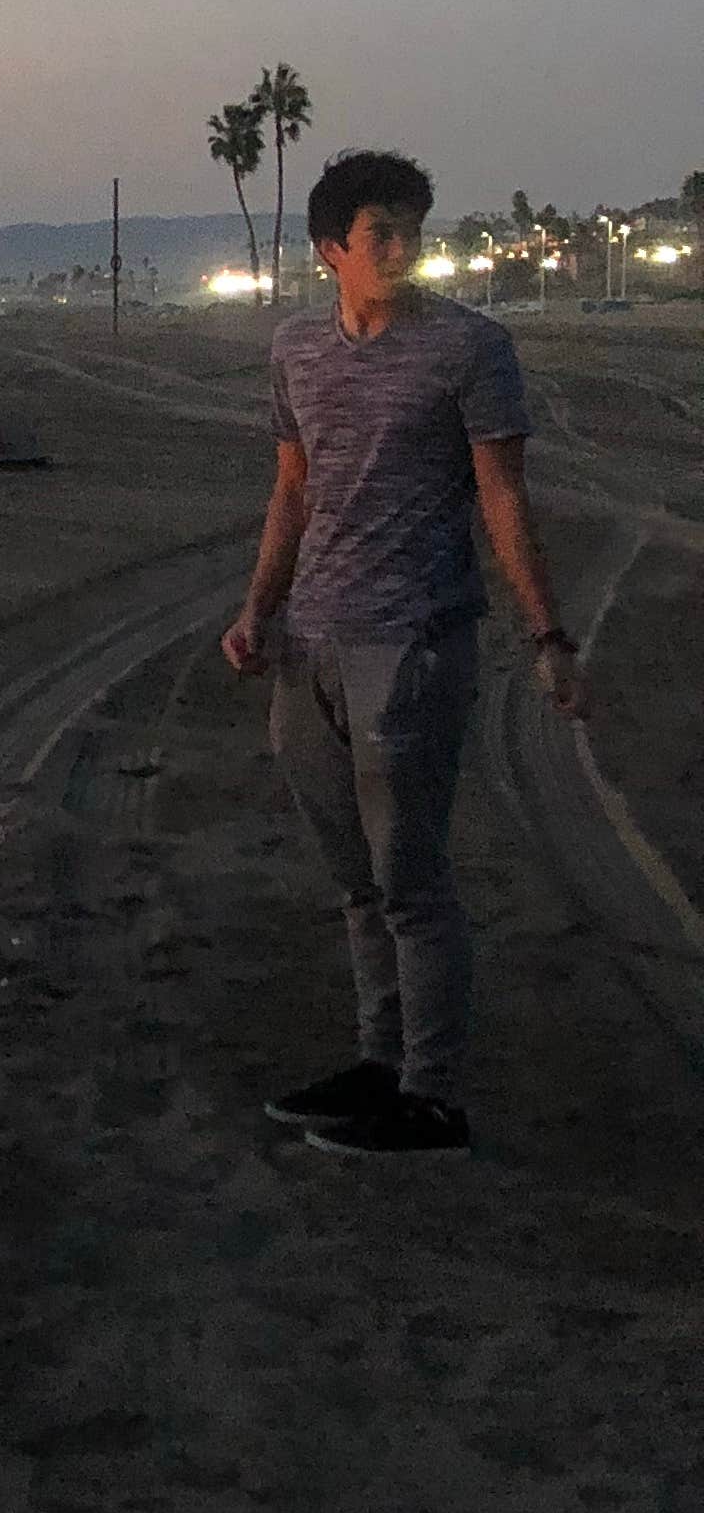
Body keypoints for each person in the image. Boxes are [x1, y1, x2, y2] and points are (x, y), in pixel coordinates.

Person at [222, 146, 583, 1160]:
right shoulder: (296, 349)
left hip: (414, 643)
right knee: (355, 884)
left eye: (411, 230)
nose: (403, 248)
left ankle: (433, 1096)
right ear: (332, 248)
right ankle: (380, 1064)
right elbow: (295, 490)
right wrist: (258, 610)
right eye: (382, 232)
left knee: (411, 882)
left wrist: (547, 635)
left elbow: (504, 498)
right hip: (309, 647)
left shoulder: (471, 349)